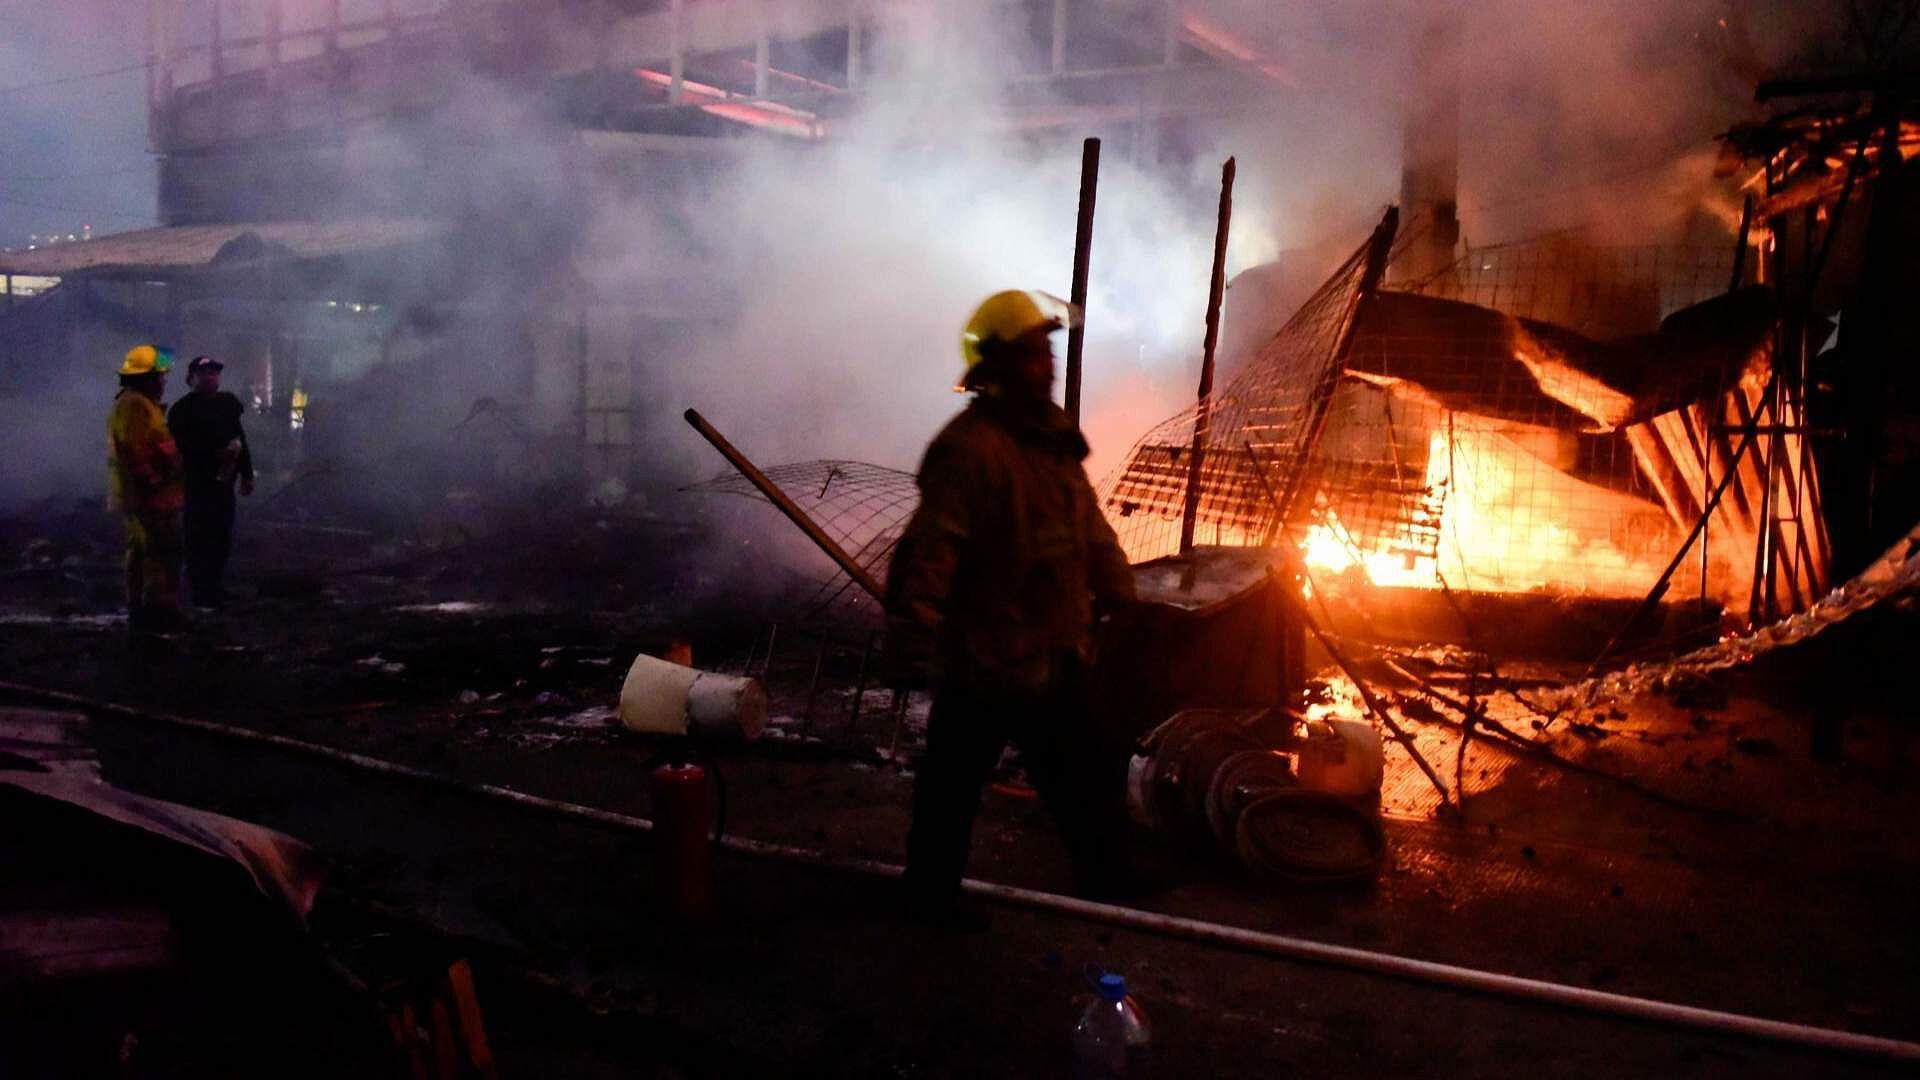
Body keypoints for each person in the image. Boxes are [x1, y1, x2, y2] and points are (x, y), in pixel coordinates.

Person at [885, 289, 1144, 933]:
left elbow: (1090, 529)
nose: (1047, 364)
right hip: (986, 664)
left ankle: (1111, 891)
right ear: (996, 367)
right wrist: (915, 645)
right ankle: (929, 909)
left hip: (1054, 654)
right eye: (1032, 354)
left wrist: (1123, 596)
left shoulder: (1052, 442)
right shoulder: (968, 452)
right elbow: (931, 559)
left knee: (1085, 781)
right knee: (950, 795)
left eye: (1047, 350)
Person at [107, 345, 186, 635]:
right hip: (149, 498)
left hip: (150, 496)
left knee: (146, 553)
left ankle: (146, 612)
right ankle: (157, 613)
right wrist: (153, 483)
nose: (164, 381)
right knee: (159, 553)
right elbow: (134, 452)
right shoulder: (134, 406)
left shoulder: (141, 404)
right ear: (147, 378)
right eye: (160, 376)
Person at [167, 355, 255, 608]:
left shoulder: (227, 404)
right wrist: (211, 454)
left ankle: (215, 585)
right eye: (204, 373)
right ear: (191, 378)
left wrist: (246, 473)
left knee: (221, 535)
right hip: (197, 483)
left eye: (214, 373)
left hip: (223, 484)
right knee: (198, 537)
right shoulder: (183, 410)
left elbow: (240, 439)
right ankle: (200, 590)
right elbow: (178, 448)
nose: (210, 377)